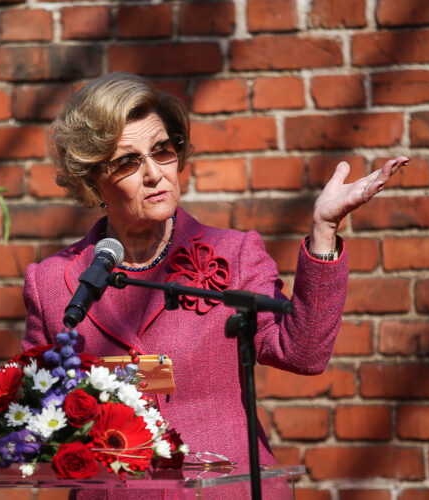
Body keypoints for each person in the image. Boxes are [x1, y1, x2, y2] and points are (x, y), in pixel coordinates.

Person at [21, 72, 407, 491]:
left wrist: (324, 229)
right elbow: (38, 415)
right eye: (128, 162)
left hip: (229, 489)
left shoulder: (233, 254)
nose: (154, 174)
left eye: (162, 151)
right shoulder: (50, 284)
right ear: (92, 179)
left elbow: (305, 353)